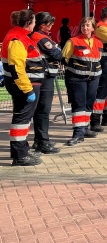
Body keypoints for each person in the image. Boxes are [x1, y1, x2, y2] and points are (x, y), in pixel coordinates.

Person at [2, 10, 44, 166]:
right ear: (28, 23)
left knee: (23, 120)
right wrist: (28, 90)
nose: (35, 24)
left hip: (25, 85)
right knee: (21, 120)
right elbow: (17, 68)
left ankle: (22, 150)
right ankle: (20, 156)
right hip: (24, 86)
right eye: (34, 21)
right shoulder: (17, 39)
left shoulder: (20, 36)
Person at [62, 17, 103, 146]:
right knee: (79, 105)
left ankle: (84, 128)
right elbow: (64, 58)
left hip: (94, 78)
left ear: (93, 28)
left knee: (89, 104)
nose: (85, 28)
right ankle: (78, 134)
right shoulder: (73, 41)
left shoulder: (99, 43)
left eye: (88, 25)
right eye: (83, 25)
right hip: (77, 78)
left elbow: (98, 59)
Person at [29, 12, 63, 154]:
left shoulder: (41, 36)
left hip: (42, 76)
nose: (52, 26)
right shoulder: (40, 37)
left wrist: (56, 49)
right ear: (43, 25)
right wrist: (57, 49)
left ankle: (40, 140)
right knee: (43, 110)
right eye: (50, 23)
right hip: (44, 76)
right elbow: (57, 54)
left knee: (41, 110)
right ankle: (43, 142)